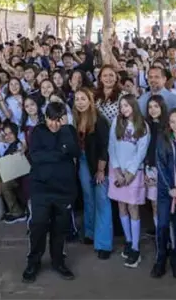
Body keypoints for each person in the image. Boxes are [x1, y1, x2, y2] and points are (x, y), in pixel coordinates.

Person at [22, 102, 80, 283]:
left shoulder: (68, 130)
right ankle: (33, 262)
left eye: (58, 120)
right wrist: (60, 153)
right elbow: (36, 156)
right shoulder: (38, 131)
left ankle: (58, 261)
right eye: (50, 119)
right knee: (38, 225)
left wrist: (63, 133)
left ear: (63, 118)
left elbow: (75, 151)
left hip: (64, 189)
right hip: (41, 188)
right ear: (45, 117)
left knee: (60, 228)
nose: (54, 124)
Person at [108, 95, 150, 268]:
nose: (124, 108)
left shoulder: (143, 126)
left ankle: (135, 247)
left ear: (134, 105)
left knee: (133, 207)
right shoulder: (117, 123)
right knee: (121, 206)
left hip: (133, 173)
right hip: (117, 171)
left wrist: (130, 173)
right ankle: (128, 239)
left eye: (127, 105)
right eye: (121, 106)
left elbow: (141, 152)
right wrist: (117, 171)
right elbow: (111, 145)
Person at [72, 87, 113, 259]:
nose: (80, 102)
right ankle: (90, 233)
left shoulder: (100, 120)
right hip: (82, 161)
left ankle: (104, 244)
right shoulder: (76, 118)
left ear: (90, 100)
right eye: (77, 99)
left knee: (102, 200)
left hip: (99, 163)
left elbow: (105, 146)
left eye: (83, 99)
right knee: (88, 198)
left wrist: (101, 170)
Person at [152, 108, 176, 279]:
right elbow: (160, 164)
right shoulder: (163, 139)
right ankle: (160, 260)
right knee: (162, 225)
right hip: (165, 191)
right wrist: (169, 187)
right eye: (172, 121)